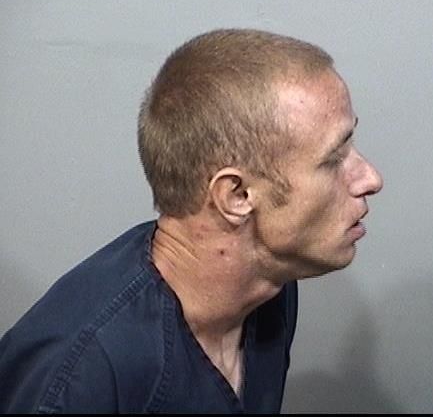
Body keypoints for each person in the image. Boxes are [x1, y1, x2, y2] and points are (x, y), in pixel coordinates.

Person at [0, 29, 383, 413]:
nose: (370, 178)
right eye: (334, 159)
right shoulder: (80, 378)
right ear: (236, 196)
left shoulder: (270, 286)